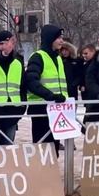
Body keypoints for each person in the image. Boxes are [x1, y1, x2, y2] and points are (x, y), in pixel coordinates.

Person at [26, 24, 68, 154]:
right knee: (42, 150)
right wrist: (50, 95)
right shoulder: (38, 57)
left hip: (58, 110)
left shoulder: (58, 58)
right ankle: (41, 174)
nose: (61, 41)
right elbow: (31, 81)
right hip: (41, 110)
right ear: (50, 39)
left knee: (54, 150)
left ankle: (51, 174)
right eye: (58, 38)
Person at [0, 30, 27, 145]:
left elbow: (22, 86)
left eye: (7, 43)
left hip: (12, 111)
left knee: (7, 150)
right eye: (0, 44)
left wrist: (22, 106)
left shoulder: (18, 62)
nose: (4, 47)